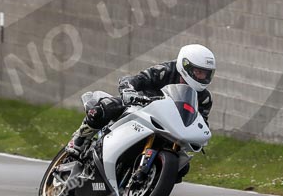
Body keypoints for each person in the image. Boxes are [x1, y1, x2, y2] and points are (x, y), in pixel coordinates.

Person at [65, 44, 216, 159]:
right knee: (105, 108)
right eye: (198, 72)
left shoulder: (204, 99)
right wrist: (129, 89)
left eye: (205, 74)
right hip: (142, 106)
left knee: (182, 167)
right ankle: (80, 139)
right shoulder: (165, 71)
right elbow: (136, 79)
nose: (202, 77)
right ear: (185, 66)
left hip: (170, 128)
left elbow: (200, 121)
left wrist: (200, 136)